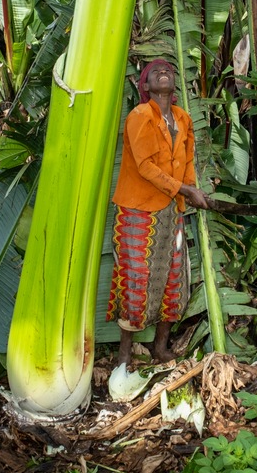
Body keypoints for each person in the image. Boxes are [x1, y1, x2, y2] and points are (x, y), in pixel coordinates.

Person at [106, 59, 210, 366]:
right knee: (136, 278)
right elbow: (145, 166)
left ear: (174, 84)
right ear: (146, 86)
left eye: (168, 70)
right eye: (155, 73)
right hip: (139, 210)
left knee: (172, 278)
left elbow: (187, 161)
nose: (163, 73)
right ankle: (125, 352)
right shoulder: (141, 116)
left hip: (171, 210)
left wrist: (189, 189)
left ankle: (160, 347)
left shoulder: (182, 118)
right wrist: (184, 189)